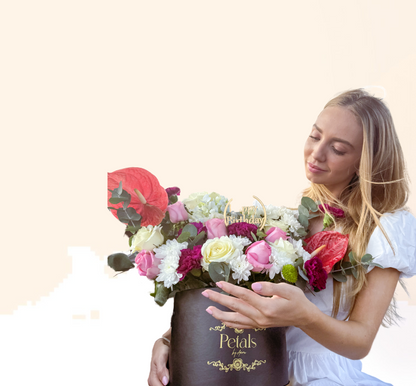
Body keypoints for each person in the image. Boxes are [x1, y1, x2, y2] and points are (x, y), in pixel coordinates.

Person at [147, 88, 416, 386]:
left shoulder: (386, 227)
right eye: (315, 136)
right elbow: (232, 296)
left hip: (325, 379)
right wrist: (170, 342)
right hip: (257, 373)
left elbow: (360, 341)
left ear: (365, 162)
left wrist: (305, 316)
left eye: (338, 149)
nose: (317, 153)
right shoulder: (285, 222)